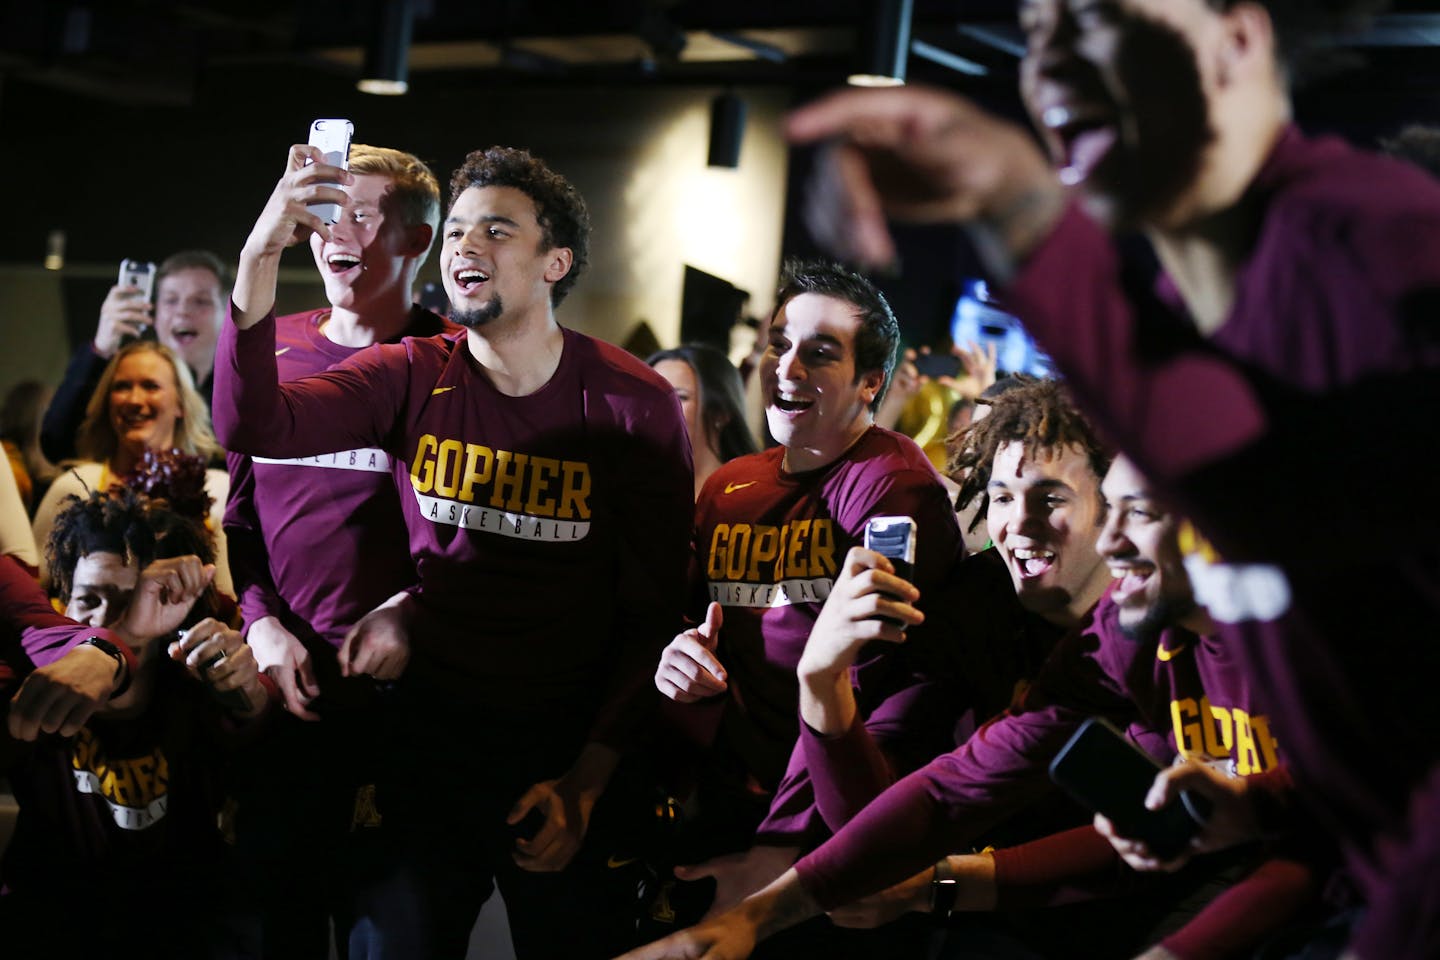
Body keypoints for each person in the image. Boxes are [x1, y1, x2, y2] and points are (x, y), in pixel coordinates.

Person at [779, 3, 1440, 957]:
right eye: (1037, 28)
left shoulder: (1388, 257)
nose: (1046, 63)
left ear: (1238, 37)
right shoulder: (1207, 317)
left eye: (1091, 19)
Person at [215, 142, 693, 958]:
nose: (467, 247)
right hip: (424, 756)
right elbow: (252, 427)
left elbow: (651, 612)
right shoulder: (411, 373)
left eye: (498, 231)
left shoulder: (631, 403)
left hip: (560, 755)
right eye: (459, 231)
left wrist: (589, 777)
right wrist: (260, 255)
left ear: (556, 262)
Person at [646, 262, 962, 944]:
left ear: (871, 382)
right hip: (730, 804)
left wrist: (782, 850)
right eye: (778, 343)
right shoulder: (730, 485)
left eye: (819, 354)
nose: (786, 367)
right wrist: (680, 656)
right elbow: (690, 620)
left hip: (834, 825)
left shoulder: (893, 488)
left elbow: (868, 685)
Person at [219, 142, 457, 957]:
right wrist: (260, 625)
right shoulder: (268, 348)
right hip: (290, 703)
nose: (333, 232)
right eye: (325, 213)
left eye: (361, 213)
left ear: (417, 240)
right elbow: (241, 524)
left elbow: (487, 542)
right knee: (284, 928)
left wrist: (416, 611)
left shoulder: (459, 362)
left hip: (413, 715)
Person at [1, 486, 268, 959]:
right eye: (87, 599)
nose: (104, 620)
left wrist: (248, 692)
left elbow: (262, 738)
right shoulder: (33, 679)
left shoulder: (195, 683)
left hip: (183, 930)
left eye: (132, 601)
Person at [31, 342, 231, 596]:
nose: (135, 400)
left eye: (151, 386)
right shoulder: (75, 484)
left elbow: (232, 598)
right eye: (122, 387)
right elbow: (34, 593)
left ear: (180, 403)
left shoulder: (215, 487)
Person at [40, 250, 227, 464]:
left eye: (201, 301)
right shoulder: (122, 376)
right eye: (171, 300)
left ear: (226, 311)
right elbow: (56, 443)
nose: (182, 311)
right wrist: (101, 348)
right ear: (155, 315)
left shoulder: (244, 388)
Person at [647, 343, 758, 496]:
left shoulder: (750, 495)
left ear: (721, 412)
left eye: (680, 397)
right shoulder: (632, 493)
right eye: (651, 396)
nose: (657, 409)